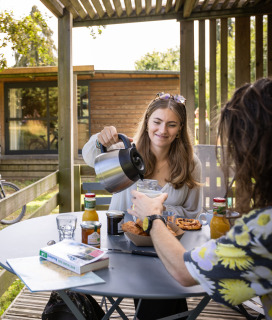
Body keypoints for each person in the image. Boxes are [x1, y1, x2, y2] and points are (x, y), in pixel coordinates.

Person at [130, 78, 272, 318]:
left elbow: (187, 272)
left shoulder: (264, 229)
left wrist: (153, 217)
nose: (234, 154)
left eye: (236, 140)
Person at [82, 92, 203, 319]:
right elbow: (90, 157)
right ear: (147, 121)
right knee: (161, 300)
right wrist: (100, 140)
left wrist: (160, 211)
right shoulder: (126, 151)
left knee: (163, 296)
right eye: (157, 122)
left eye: (171, 124)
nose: (162, 130)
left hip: (167, 248)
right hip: (123, 247)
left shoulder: (190, 163)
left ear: (180, 129)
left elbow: (194, 215)